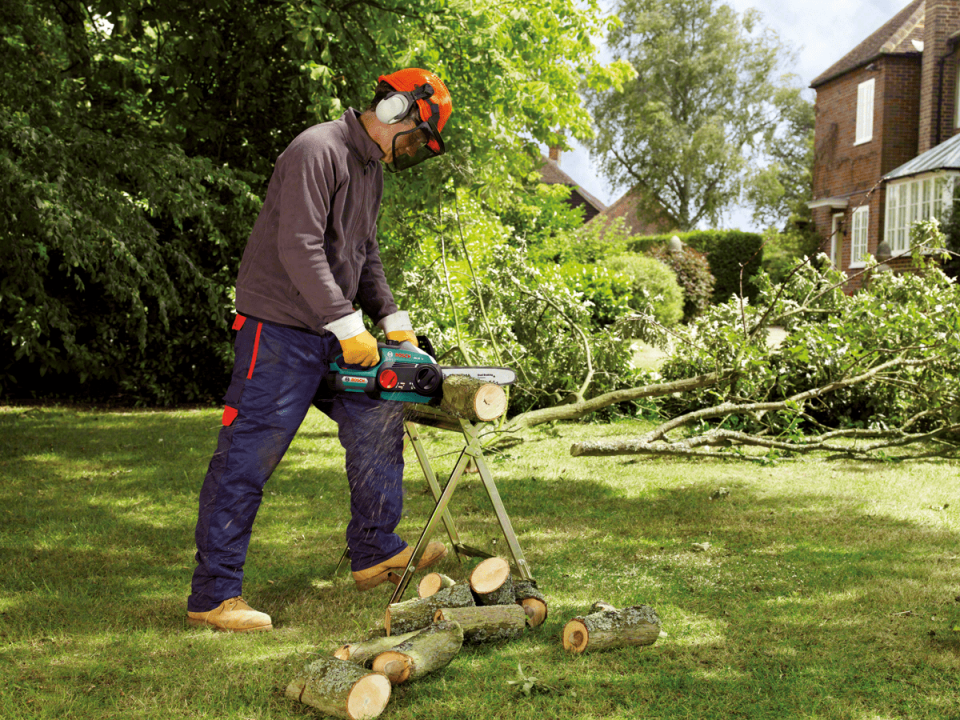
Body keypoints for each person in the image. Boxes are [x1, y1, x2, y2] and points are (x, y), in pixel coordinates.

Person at [186, 69, 453, 632]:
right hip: (278, 332)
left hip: (329, 331)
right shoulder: (317, 149)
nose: (411, 150)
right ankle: (214, 596)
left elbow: (364, 252)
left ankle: (375, 549)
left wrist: (391, 319)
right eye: (416, 137)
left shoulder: (368, 170)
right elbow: (298, 245)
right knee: (248, 454)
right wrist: (345, 325)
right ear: (395, 110)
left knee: (377, 408)